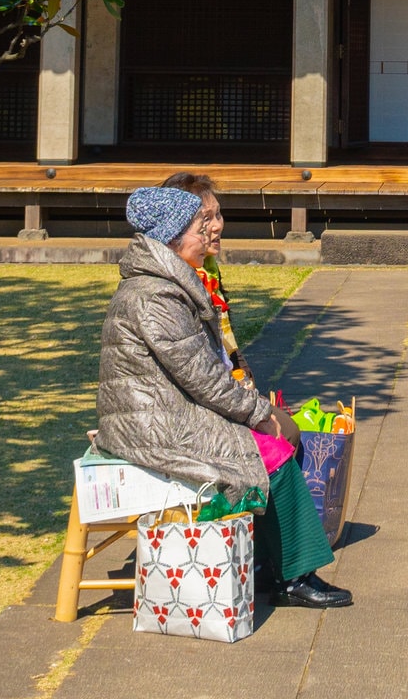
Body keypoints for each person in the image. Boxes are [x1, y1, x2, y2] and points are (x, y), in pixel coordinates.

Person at [96, 178, 352, 610]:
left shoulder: (161, 284)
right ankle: (294, 574)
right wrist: (261, 414)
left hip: (163, 414)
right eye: (201, 225)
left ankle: (278, 566)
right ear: (172, 239)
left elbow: (201, 374)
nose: (209, 231)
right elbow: (203, 377)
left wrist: (257, 411)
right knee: (270, 449)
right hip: (154, 427)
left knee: (269, 440)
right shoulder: (156, 296)